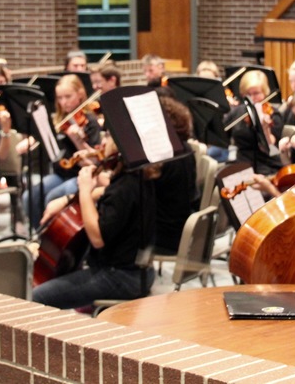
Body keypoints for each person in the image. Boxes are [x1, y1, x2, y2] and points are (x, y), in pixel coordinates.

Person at [32, 133, 156, 309]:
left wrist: (84, 190)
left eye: (108, 136)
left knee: (35, 297)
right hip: (141, 272)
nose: (103, 141)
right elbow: (107, 190)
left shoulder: (123, 189)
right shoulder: (137, 176)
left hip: (120, 276)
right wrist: (69, 197)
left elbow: (97, 239)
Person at [21, 74, 101, 228]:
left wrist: (78, 140)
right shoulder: (58, 120)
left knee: (52, 197)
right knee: (29, 196)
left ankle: (54, 236)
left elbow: (95, 161)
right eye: (60, 98)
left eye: (68, 96)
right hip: (60, 174)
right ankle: (40, 233)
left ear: (80, 94)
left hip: (80, 176)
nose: (64, 102)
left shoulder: (90, 121)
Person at [153, 96, 199, 255]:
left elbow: (141, 197)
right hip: (179, 227)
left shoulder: (163, 156)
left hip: (164, 235)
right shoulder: (184, 148)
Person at [224, 69, 284, 175]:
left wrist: (265, 129)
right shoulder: (238, 111)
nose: (252, 99)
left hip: (265, 166)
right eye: (248, 94)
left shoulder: (274, 115)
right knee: (221, 179)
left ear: (265, 92)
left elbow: (272, 148)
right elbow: (223, 136)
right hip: (241, 164)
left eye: (256, 93)